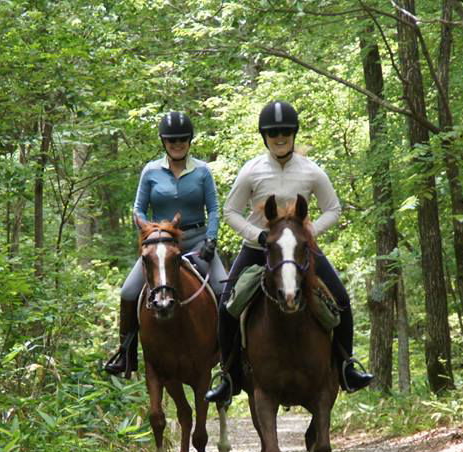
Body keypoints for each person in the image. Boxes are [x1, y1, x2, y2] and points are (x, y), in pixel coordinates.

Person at [205, 100, 374, 404]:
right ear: (264, 136)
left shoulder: (311, 171)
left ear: (294, 133)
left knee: (342, 299)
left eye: (285, 132)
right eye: (273, 133)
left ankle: (348, 367)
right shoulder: (252, 170)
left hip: (299, 253)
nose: (279, 137)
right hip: (258, 251)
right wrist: (256, 234)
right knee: (226, 306)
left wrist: (307, 235)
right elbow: (231, 211)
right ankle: (227, 376)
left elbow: (333, 209)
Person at [104, 111, 226, 378]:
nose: (177, 143)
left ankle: (231, 358)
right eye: (172, 140)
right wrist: (150, 233)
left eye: (182, 139)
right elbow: (138, 210)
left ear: (190, 141)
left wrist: (211, 238)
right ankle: (126, 353)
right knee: (128, 293)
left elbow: (214, 210)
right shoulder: (150, 171)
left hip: (196, 240)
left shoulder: (203, 171)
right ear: (163, 142)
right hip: (161, 243)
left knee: (224, 290)